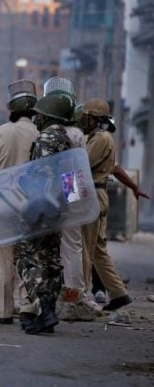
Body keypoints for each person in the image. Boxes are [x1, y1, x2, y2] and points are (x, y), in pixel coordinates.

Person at [0, 79, 39, 325]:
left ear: (12, 110)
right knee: (29, 257)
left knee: (2, 259)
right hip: (31, 206)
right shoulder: (40, 134)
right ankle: (27, 307)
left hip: (0, 205)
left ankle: (3, 311)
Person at [15, 94, 73, 335]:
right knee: (50, 261)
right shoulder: (67, 140)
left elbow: (40, 177)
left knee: (26, 257)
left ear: (48, 115)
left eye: (39, 114)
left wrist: (25, 183)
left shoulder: (46, 139)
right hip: (58, 209)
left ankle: (44, 310)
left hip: (40, 207)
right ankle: (48, 313)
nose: (36, 117)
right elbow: (70, 181)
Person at [42, 77, 99, 319]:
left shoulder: (45, 129)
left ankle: (43, 293)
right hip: (71, 183)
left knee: (44, 243)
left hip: (48, 186)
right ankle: (73, 294)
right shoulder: (77, 133)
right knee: (72, 244)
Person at [77, 98, 133, 311]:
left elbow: (81, 164)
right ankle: (119, 294)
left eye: (87, 117)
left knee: (85, 248)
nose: (84, 121)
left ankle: (80, 295)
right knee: (98, 249)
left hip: (93, 194)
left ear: (95, 119)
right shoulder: (97, 137)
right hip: (97, 193)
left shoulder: (100, 139)